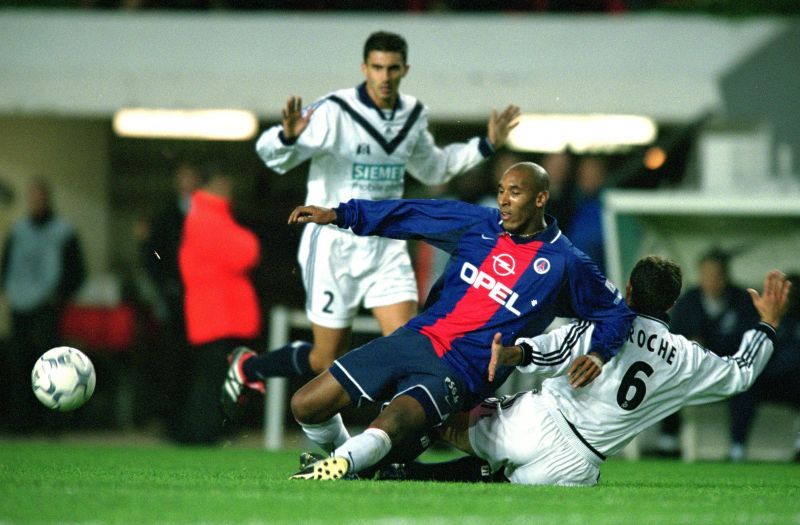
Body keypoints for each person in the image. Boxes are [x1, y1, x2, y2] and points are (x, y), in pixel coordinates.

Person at [221, 30, 521, 418]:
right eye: (377, 67)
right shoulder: (333, 112)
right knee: (324, 359)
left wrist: (485, 145)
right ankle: (250, 367)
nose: (384, 76)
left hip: (385, 246)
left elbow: (433, 166)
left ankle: (393, 443)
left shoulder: (412, 115)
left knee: (412, 347)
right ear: (364, 68)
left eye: (392, 68)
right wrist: (288, 137)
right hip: (333, 245)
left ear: (404, 70)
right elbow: (270, 155)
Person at [285, 161, 635, 480]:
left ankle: (337, 468)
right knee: (306, 405)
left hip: (461, 370)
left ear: (541, 198)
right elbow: (414, 213)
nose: (504, 200)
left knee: (391, 423)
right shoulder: (479, 225)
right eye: (501, 191)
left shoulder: (565, 263)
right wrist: (342, 214)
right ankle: (347, 463)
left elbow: (616, 312)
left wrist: (600, 353)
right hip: (417, 338)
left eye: (515, 192)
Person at [383, 257, 790, 486]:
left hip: (536, 421)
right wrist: (767, 324)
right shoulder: (685, 357)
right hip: (576, 465)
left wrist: (517, 352)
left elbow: (552, 348)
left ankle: (372, 458)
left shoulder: (609, 325)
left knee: (441, 416)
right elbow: (741, 372)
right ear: (671, 304)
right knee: (499, 487)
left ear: (629, 290)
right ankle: (412, 473)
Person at [175, 167, 262, 444]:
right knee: (212, 378)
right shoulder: (206, 217)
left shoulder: (204, 216)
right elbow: (245, 252)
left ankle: (201, 432)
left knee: (213, 377)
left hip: (215, 313)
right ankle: (199, 434)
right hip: (216, 314)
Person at [649, 248, 759, 460]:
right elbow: (672, 336)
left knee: (747, 385)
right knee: (668, 375)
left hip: (728, 368)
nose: (712, 280)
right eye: (707, 274)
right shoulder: (688, 301)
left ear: (726, 275)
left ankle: (737, 448)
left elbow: (749, 339)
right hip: (695, 370)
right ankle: (668, 442)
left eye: (717, 274)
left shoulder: (742, 300)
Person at [0, 179, 86, 433]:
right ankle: (20, 423)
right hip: (20, 308)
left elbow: (77, 272)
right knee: (18, 366)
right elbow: (7, 266)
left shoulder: (63, 231)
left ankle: (51, 425)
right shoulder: (18, 230)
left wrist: (58, 297)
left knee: (51, 369)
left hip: (47, 310)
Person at [139, 161, 203, 431]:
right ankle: (173, 419)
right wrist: (166, 282)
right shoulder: (165, 216)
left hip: (201, 298)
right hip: (175, 299)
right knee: (173, 359)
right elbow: (152, 252)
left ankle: (195, 417)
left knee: (199, 361)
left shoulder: (206, 213)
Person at [727, 272, 800, 461]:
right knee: (743, 387)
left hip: (790, 380)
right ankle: (737, 449)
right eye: (785, 293)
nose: (789, 298)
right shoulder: (759, 315)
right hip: (762, 379)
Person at [566, 155, 607, 272]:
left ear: (601, 177)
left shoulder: (606, 209)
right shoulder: (573, 205)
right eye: (584, 175)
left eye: (593, 175)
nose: (588, 179)